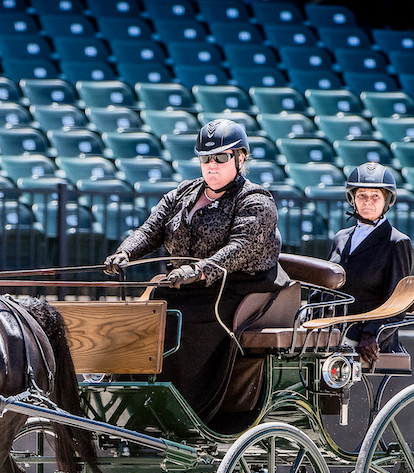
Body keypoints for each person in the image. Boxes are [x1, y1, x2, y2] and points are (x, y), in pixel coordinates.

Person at [103, 119, 283, 420]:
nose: (211, 165)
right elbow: (150, 230)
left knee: (177, 324)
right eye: (205, 159)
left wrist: (199, 270)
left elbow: (239, 249)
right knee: (139, 321)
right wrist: (125, 251)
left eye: (221, 158)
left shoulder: (255, 200)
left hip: (236, 289)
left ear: (240, 158)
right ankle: (126, 395)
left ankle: (183, 410)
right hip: (184, 286)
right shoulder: (183, 194)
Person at [327, 162, 413, 368]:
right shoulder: (341, 237)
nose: (368, 202)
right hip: (335, 329)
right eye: (362, 196)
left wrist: (372, 331)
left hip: (367, 338)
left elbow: (397, 302)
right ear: (353, 199)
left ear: (386, 201)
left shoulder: (397, 242)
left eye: (375, 196)